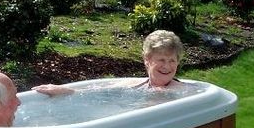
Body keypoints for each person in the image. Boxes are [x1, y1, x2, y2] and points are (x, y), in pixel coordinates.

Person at [33, 29, 185, 96]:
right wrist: (65, 91)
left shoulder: (182, 91)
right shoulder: (136, 86)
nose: (167, 66)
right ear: (147, 59)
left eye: (172, 60)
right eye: (161, 60)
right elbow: (98, 93)